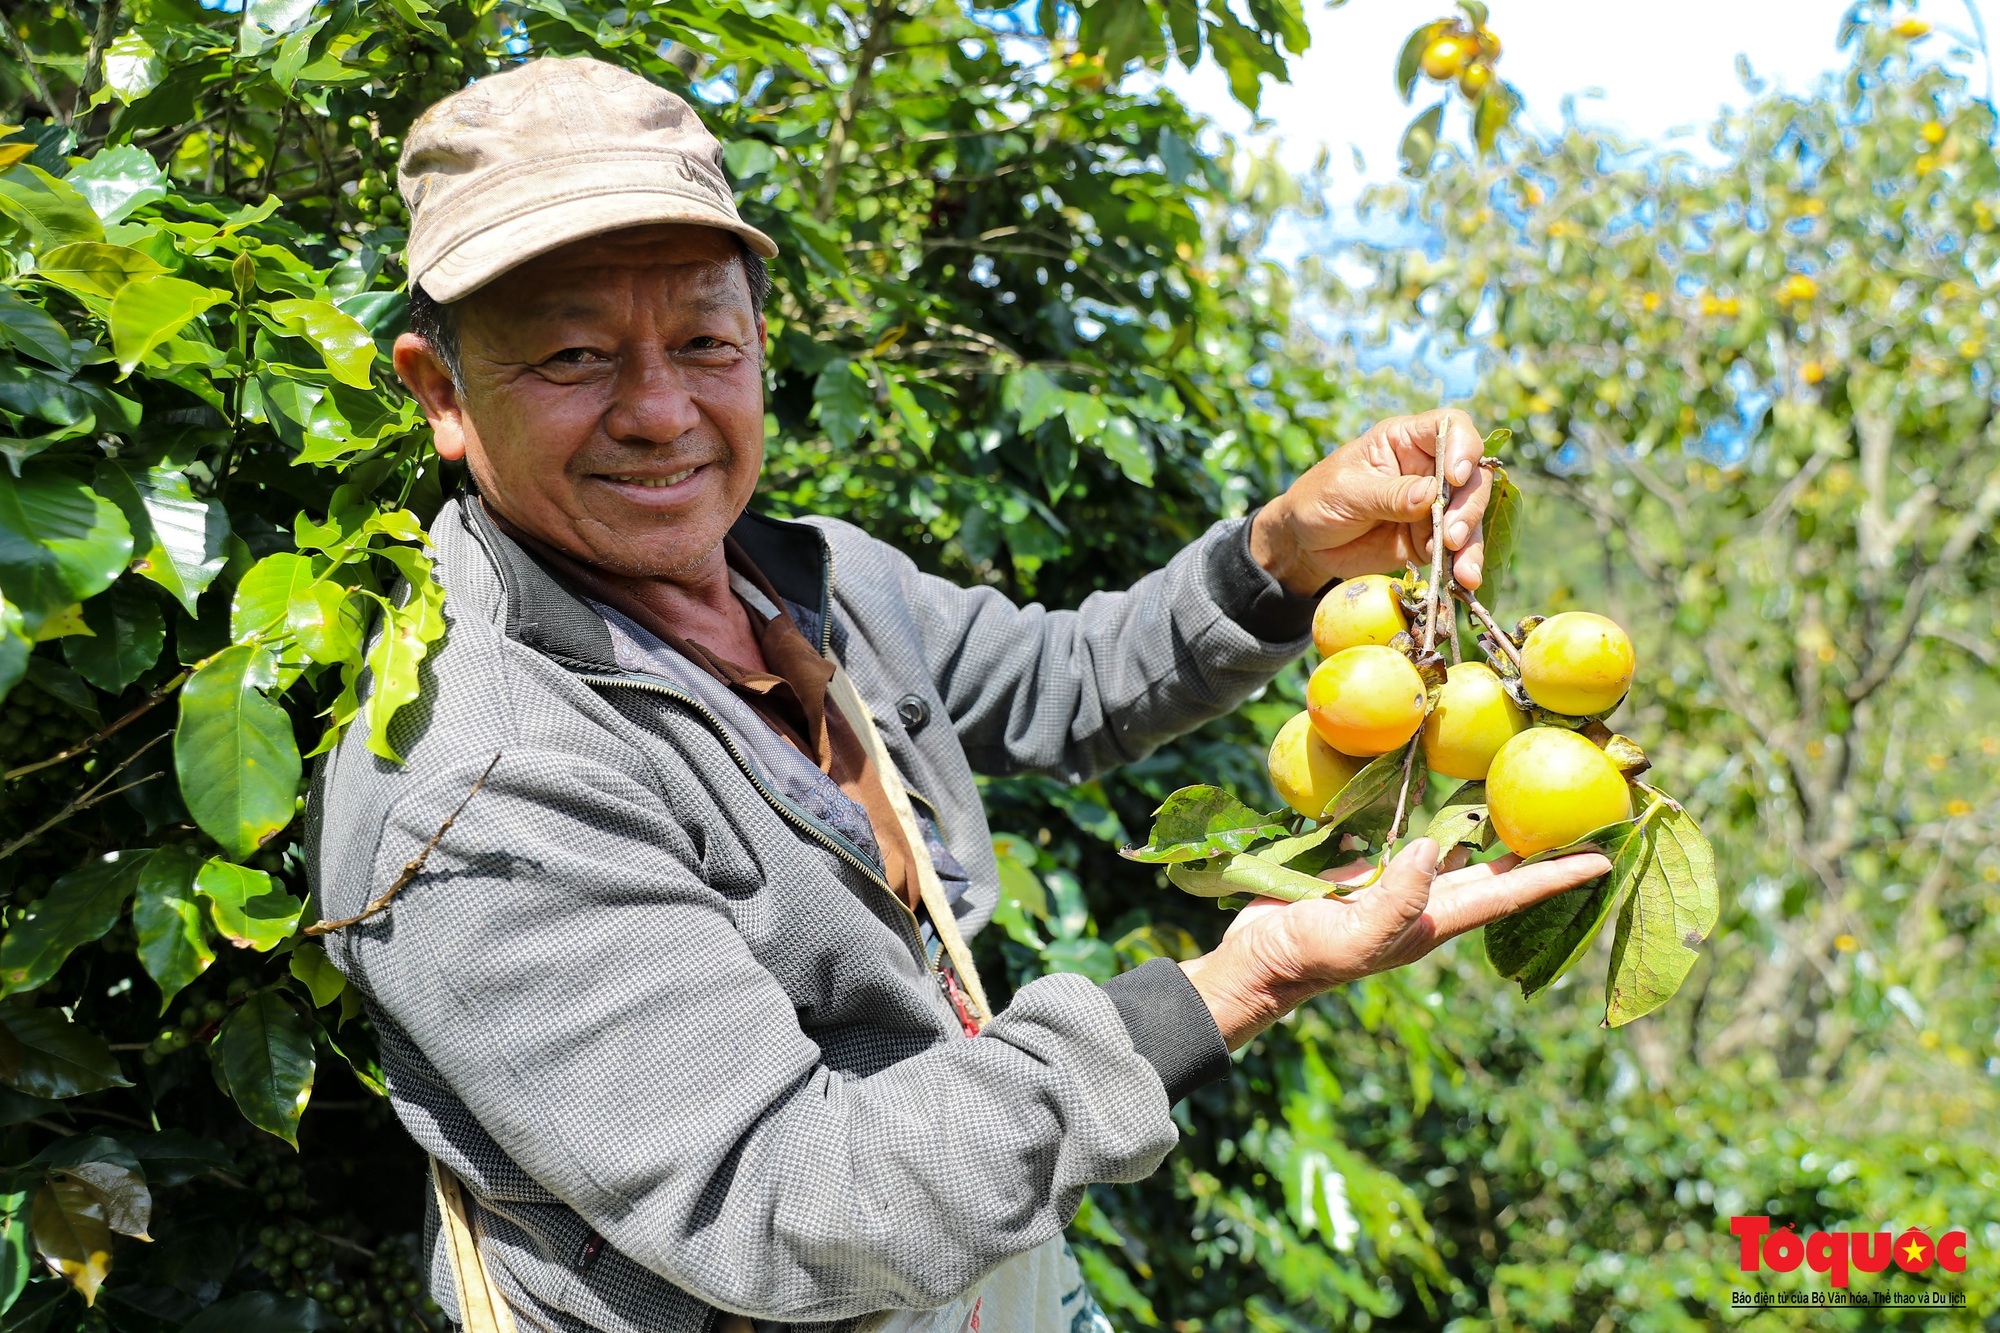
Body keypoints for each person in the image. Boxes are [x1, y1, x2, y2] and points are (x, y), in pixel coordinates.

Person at [307, 55, 1610, 1333]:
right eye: (575, 357)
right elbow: (789, 1209)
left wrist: (1284, 550)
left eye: (704, 341)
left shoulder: (801, 580)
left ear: (760, 345)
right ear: (442, 394)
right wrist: (1238, 982)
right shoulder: (477, 776)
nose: (659, 410)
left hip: (966, 1251)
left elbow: (1073, 683)